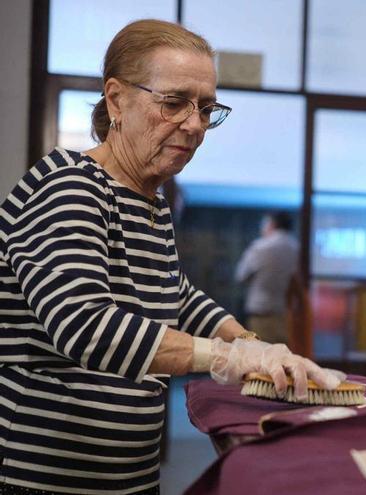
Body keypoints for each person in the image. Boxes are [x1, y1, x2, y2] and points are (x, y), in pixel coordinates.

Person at [0, 19, 340, 494]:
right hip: (49, 474)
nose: (195, 124)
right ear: (116, 99)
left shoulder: (148, 200)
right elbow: (84, 326)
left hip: (126, 471)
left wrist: (253, 344)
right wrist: (227, 357)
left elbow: (175, 294)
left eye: (205, 108)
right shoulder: (71, 186)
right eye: (174, 103)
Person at [235, 211, 301, 344]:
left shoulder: (260, 246)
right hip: (282, 313)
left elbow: (240, 276)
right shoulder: (296, 248)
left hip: (260, 312)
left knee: (260, 355)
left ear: (272, 224)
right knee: (281, 356)